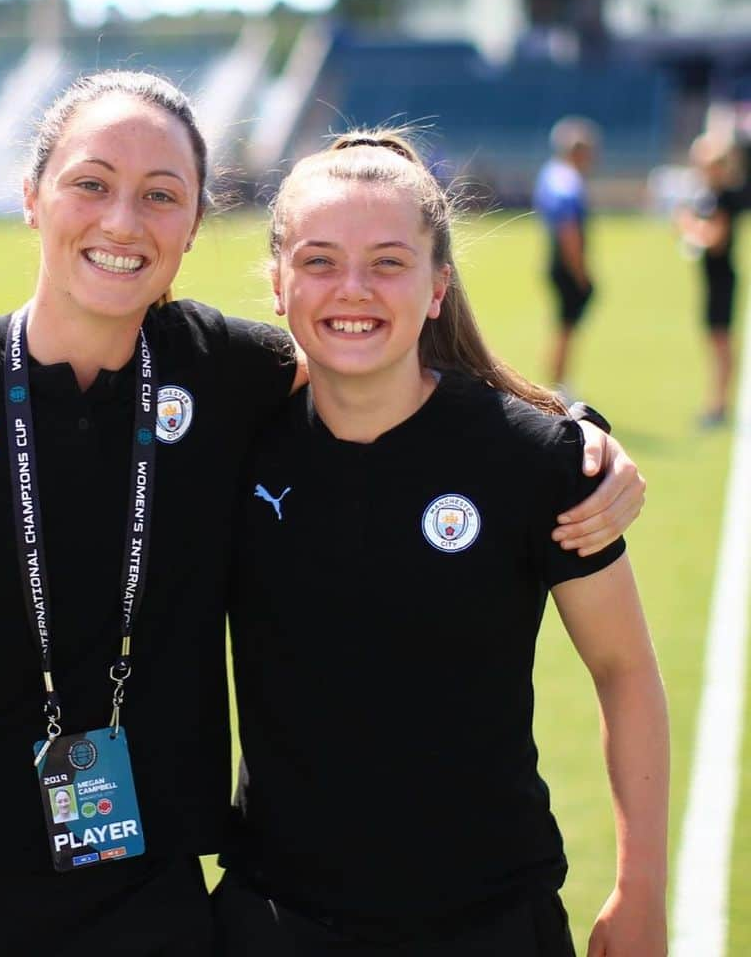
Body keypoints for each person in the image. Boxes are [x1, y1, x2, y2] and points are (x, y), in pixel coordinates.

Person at [0, 69, 640, 957]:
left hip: (149, 906)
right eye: (91, 183)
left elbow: (383, 361)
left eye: (162, 195)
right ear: (32, 196)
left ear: (195, 225)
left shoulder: (223, 372)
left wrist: (575, 433)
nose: (122, 222)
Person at [212, 131, 669, 956]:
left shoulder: (538, 459)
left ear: (437, 287)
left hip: (490, 924)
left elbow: (624, 669)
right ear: (277, 285)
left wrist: (641, 890)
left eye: (389, 261)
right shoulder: (228, 441)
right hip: (278, 923)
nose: (353, 289)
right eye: (319, 261)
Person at [674, 131, 745, 427]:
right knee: (715, 341)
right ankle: (716, 403)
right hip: (712, 278)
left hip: (722, 278)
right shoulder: (708, 195)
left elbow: (716, 239)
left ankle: (719, 405)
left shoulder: (725, 197)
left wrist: (689, 226)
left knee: (721, 343)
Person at [533, 116, 601, 398]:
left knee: (563, 327)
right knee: (566, 328)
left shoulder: (551, 173)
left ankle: (558, 382)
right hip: (565, 263)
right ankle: (558, 386)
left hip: (554, 260)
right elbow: (569, 230)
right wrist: (581, 271)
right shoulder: (568, 182)